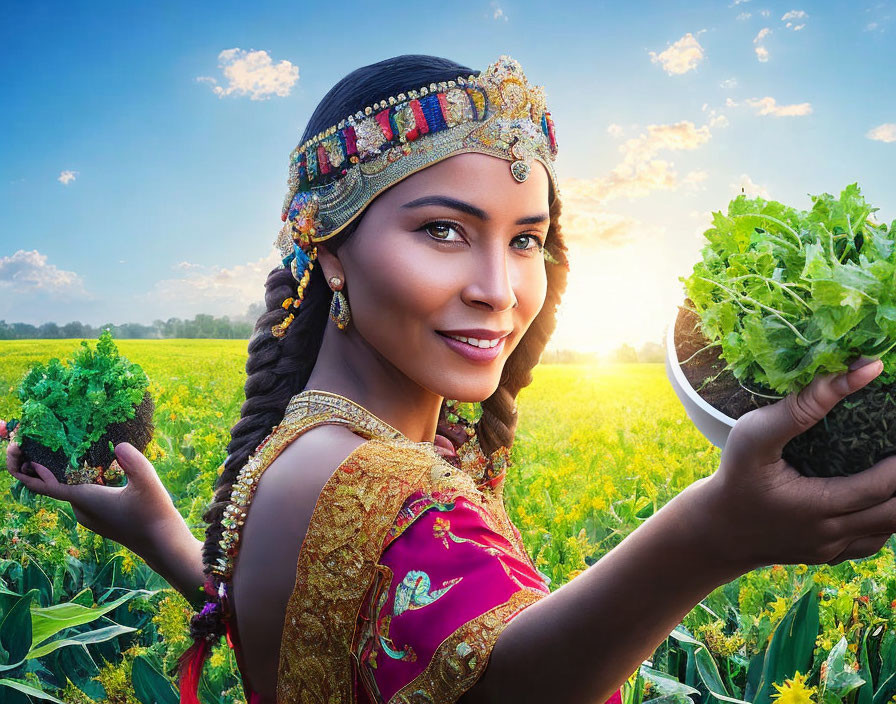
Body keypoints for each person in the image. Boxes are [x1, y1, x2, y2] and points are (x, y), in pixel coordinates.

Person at [7, 53, 896, 704]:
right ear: (333, 252)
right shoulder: (376, 482)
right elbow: (500, 685)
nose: (497, 290)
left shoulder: (305, 454)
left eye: (523, 239)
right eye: (442, 230)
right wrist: (712, 533)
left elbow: (321, 628)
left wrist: (159, 533)